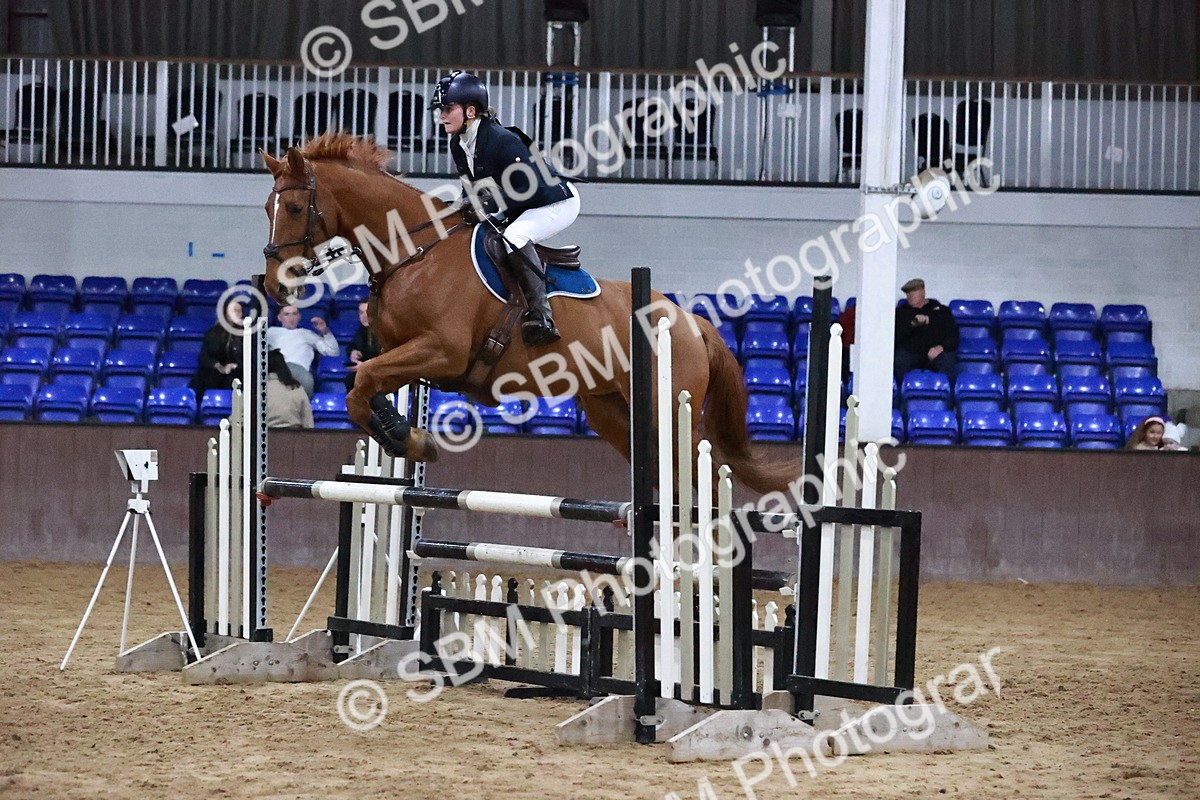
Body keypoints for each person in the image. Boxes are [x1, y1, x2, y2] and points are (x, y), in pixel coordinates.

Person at [430, 70, 580, 346]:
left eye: (448, 108)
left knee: (514, 237)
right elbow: (470, 188)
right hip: (522, 204)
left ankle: (542, 316)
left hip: (555, 202)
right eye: (440, 109)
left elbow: (528, 188)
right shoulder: (457, 142)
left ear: (470, 111)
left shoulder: (502, 140)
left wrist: (486, 206)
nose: (441, 115)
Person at [265, 304, 339, 397]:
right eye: (286, 314)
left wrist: (325, 331)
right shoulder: (271, 332)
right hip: (277, 371)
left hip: (300, 372)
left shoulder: (307, 334)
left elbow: (333, 352)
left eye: (294, 314)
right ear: (279, 317)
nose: (291, 318)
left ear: (299, 317)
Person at [894, 278, 959, 383]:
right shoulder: (902, 312)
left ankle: (943, 392)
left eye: (913, 292)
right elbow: (896, 337)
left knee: (947, 360)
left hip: (935, 351)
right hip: (911, 351)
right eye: (908, 293)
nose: (910, 296)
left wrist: (941, 347)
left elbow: (953, 334)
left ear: (923, 292)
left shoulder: (941, 310)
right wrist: (912, 324)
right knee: (899, 359)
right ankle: (903, 390)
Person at [190, 297, 244, 398]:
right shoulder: (212, 333)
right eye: (234, 310)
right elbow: (204, 357)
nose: (237, 313)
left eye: (240, 311)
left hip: (238, 372)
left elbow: (251, 357)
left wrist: (235, 366)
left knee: (234, 380)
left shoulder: (247, 334)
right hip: (214, 372)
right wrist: (219, 366)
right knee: (208, 378)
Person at [264, 348, 313, 429]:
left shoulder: (255, 391)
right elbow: (308, 424)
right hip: (294, 439)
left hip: (262, 439)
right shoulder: (296, 389)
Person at [345, 300, 381, 392]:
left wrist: (365, 366)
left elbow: (386, 358)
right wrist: (353, 351)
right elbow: (352, 345)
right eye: (361, 313)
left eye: (367, 312)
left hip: (384, 372)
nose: (364, 316)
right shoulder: (363, 329)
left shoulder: (384, 331)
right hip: (368, 372)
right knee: (351, 379)